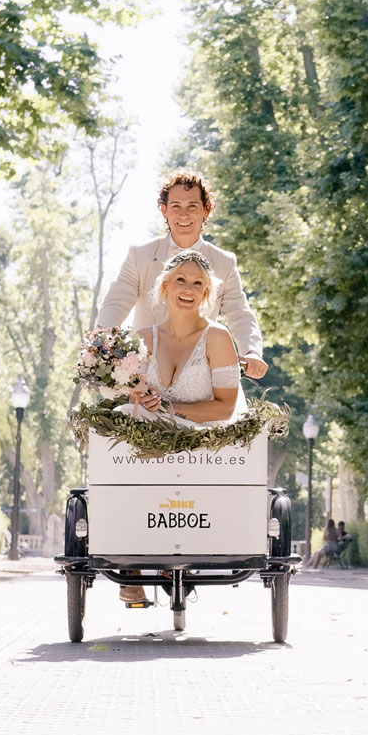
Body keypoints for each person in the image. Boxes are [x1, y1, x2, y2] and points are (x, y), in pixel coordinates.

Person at [115, 250, 244, 601]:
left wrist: (175, 408)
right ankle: (130, 559)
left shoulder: (218, 339)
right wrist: (142, 397)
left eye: (198, 283)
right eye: (181, 281)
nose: (188, 288)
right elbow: (133, 390)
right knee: (125, 417)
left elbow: (226, 407)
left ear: (206, 295)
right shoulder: (143, 338)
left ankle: (170, 551)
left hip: (197, 437)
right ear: (165, 287)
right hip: (148, 433)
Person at [98, 169, 268, 379]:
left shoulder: (224, 263)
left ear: (206, 210)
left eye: (192, 206)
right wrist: (103, 342)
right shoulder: (139, 255)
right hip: (141, 374)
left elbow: (239, 314)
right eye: (176, 206)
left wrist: (251, 351)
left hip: (199, 378)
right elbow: (116, 302)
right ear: (164, 210)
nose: (183, 214)